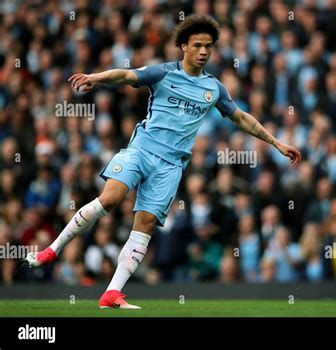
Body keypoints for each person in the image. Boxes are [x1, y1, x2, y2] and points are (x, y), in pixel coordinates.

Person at [25, 14, 301, 309]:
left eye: (209, 46)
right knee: (110, 198)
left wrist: (276, 143)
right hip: (142, 150)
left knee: (144, 225)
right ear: (184, 46)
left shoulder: (214, 89)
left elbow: (242, 119)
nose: (204, 51)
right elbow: (127, 75)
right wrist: (96, 77)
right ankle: (51, 251)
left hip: (171, 166)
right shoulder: (163, 73)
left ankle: (111, 293)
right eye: (198, 45)